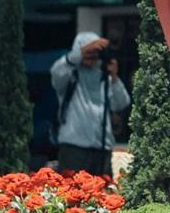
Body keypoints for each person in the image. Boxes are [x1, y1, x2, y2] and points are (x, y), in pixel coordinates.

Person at [49, 31, 130, 176]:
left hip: (102, 148)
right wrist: (80, 53)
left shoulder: (104, 76)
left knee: (102, 194)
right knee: (72, 193)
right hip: (74, 148)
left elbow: (121, 103)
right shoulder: (69, 75)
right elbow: (56, 72)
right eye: (88, 52)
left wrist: (115, 77)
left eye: (95, 53)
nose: (92, 56)